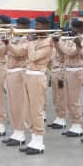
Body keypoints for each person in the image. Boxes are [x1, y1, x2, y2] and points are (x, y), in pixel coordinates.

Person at [22, 17, 55, 155]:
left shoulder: (49, 43)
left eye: (39, 26)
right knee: (28, 110)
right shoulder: (36, 41)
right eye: (36, 25)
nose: (35, 28)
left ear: (46, 27)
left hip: (37, 76)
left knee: (36, 110)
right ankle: (33, 139)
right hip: (29, 75)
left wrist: (29, 42)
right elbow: (20, 52)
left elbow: (34, 57)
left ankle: (39, 142)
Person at [3, 18, 31, 146]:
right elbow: (3, 51)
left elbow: (19, 52)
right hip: (10, 72)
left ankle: (20, 134)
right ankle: (15, 132)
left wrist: (7, 43)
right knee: (11, 105)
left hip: (20, 73)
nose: (17, 27)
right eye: (17, 25)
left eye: (20, 25)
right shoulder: (15, 38)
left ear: (26, 26)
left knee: (19, 105)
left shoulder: (29, 39)